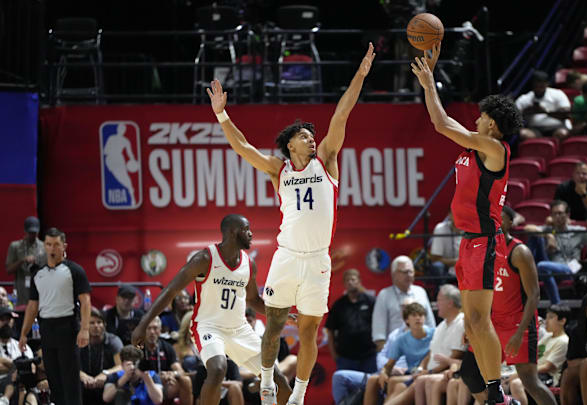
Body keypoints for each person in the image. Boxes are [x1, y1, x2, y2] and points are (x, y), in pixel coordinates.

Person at [207, 43, 376, 405]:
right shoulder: (279, 169)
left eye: (312, 134)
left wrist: (360, 75)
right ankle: (267, 379)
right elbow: (244, 148)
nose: (312, 137)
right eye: (304, 135)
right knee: (273, 323)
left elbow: (342, 114)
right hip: (286, 256)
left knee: (309, 328)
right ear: (290, 145)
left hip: (317, 259)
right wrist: (222, 116)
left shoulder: (326, 160)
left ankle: (298, 396)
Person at [411, 42, 523, 404]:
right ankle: (495, 392)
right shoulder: (475, 148)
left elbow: (442, 122)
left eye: (480, 116)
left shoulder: (495, 149)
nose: (475, 119)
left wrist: (430, 83)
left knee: (478, 319)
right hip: (469, 242)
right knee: (474, 325)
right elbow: (441, 124)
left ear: (491, 122)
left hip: (486, 241)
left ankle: (497, 392)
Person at [131, 214, 292, 405]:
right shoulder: (205, 258)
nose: (250, 234)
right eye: (246, 229)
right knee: (217, 369)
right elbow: (171, 290)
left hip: (239, 329)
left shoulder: (249, 264)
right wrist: (143, 324)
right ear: (233, 232)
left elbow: (253, 300)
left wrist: (278, 314)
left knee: (279, 381)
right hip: (208, 327)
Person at [461, 206, 558, 405]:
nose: (495, 223)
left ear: (509, 223)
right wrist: (472, 325)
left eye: (500, 219)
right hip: (493, 324)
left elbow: (534, 294)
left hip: (518, 325)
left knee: (530, 381)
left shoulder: (519, 251)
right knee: (470, 373)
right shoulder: (484, 252)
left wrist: (519, 331)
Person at [18, 227, 91, 405]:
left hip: (68, 328)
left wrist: (85, 329)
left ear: (64, 246)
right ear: (45, 247)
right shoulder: (38, 274)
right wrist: (23, 333)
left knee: (70, 381)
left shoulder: (74, 270)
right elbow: (32, 306)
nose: (52, 248)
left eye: (56, 244)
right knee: (54, 381)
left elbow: (86, 301)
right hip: (46, 330)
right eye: (48, 244)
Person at [383, 285, 464, 405]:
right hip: (428, 372)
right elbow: (430, 353)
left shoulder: (461, 323)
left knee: (420, 381)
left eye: (439, 300)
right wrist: (421, 368)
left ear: (450, 303)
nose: (436, 304)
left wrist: (430, 372)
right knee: (397, 385)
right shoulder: (441, 325)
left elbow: (456, 355)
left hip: (443, 373)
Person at [525, 200, 587, 304]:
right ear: (551, 216)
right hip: (552, 268)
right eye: (554, 214)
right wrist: (548, 235)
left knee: (541, 266)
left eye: (560, 213)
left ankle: (528, 280)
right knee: (535, 240)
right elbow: (527, 228)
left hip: (572, 267)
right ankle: (556, 305)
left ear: (567, 215)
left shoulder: (578, 231)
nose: (557, 216)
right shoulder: (548, 229)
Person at [368, 303, 434, 405]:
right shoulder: (401, 340)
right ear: (407, 320)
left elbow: (432, 353)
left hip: (430, 372)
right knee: (389, 382)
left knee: (395, 382)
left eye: (421, 315)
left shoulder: (434, 333)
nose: (418, 318)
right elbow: (389, 364)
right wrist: (384, 372)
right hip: (413, 373)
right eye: (414, 315)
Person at [505, 304, 569, 405]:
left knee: (516, 383)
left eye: (551, 317)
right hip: (535, 372)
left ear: (562, 321)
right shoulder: (547, 337)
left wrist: (519, 374)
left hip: (548, 377)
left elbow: (549, 367)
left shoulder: (563, 341)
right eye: (546, 317)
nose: (546, 321)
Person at [372, 256, 435, 352]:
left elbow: (430, 324)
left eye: (411, 271)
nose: (409, 275)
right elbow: (379, 332)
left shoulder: (420, 291)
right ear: (394, 274)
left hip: (421, 348)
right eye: (404, 272)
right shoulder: (384, 295)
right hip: (395, 349)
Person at [325, 269, 376, 373]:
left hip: (369, 356)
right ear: (344, 284)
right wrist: (335, 356)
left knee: (370, 388)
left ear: (359, 281)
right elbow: (330, 331)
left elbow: (380, 325)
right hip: (345, 358)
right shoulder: (338, 305)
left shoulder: (371, 301)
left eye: (353, 279)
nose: (350, 282)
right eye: (347, 280)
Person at [80, 307, 123, 405]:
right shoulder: (78, 340)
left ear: (105, 325)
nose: (96, 326)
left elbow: (121, 366)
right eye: (92, 323)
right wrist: (82, 376)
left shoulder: (113, 341)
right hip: (83, 384)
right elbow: (69, 365)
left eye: (99, 322)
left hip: (106, 383)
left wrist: (106, 374)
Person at [515, 71, 571, 141]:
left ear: (547, 84)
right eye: (536, 85)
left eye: (541, 85)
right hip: (535, 129)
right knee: (524, 134)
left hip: (557, 127)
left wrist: (546, 112)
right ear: (532, 85)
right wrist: (526, 112)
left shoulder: (558, 94)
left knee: (562, 133)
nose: (538, 88)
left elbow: (566, 114)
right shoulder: (524, 98)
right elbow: (514, 118)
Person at [5, 216, 44, 310]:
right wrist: (22, 260)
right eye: (30, 233)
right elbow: (8, 270)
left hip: (39, 288)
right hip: (21, 288)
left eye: (34, 233)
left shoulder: (43, 247)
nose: (32, 235)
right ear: (25, 231)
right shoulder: (15, 246)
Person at [0, 306, 36, 405]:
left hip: (22, 386)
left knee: (30, 394)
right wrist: (19, 366)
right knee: (20, 365)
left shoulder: (22, 346)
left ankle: (5, 400)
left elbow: (31, 368)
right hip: (1, 383)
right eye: (3, 320)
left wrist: (6, 363)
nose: (7, 323)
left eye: (9, 319)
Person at [103, 123, 139, 206]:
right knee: (121, 177)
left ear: (124, 131)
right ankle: (131, 195)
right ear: (118, 129)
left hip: (120, 159)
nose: (121, 130)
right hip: (111, 160)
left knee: (127, 179)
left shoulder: (126, 141)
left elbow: (130, 154)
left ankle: (132, 197)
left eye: (123, 129)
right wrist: (112, 152)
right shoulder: (111, 138)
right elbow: (105, 151)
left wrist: (134, 162)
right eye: (120, 128)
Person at [427, 212, 461, 279]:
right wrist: (456, 262)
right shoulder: (440, 228)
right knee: (437, 266)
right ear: (449, 215)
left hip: (468, 269)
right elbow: (435, 259)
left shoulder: (473, 228)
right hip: (447, 270)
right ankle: (441, 288)